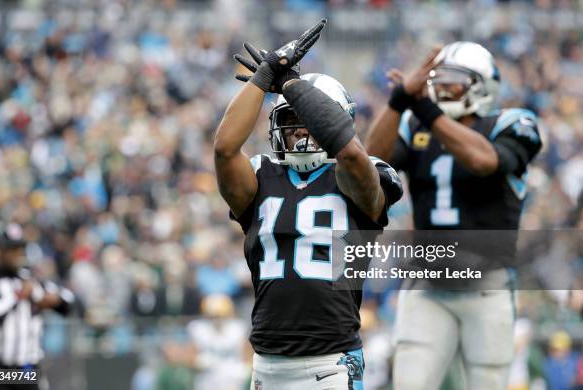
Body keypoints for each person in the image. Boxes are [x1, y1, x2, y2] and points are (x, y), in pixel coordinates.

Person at [214, 19, 402, 389]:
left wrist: (289, 84)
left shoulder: (366, 173)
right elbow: (223, 149)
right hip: (266, 365)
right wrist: (264, 77)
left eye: (310, 120)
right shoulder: (260, 175)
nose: (300, 129)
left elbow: (349, 153)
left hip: (330, 364)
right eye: (291, 119)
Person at [365, 42, 543, 390]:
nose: (443, 90)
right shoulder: (415, 122)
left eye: (454, 83)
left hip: (486, 284)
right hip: (427, 283)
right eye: (438, 82)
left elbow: (484, 161)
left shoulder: (511, 123)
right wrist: (399, 100)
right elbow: (371, 161)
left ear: (483, 85)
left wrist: (428, 111)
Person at [0, 223, 76, 390]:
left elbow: (68, 301)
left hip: (27, 368)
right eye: (11, 249)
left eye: (19, 249)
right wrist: (17, 296)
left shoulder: (28, 279)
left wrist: (52, 300)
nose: (16, 254)